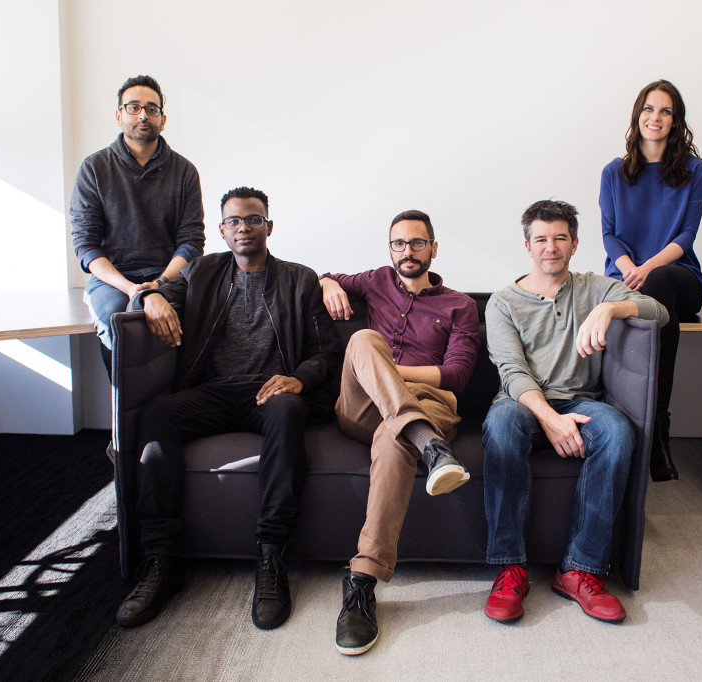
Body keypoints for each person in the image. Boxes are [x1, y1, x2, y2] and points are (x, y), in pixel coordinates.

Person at [115, 187, 341, 630]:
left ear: (269, 227)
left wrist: (299, 379)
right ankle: (162, 561)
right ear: (221, 229)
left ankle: (272, 557)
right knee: (156, 415)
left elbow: (327, 352)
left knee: (287, 410)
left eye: (253, 219)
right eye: (234, 221)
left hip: (270, 395)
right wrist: (149, 296)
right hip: (214, 392)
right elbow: (157, 291)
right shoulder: (199, 272)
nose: (243, 228)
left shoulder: (299, 279)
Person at [482, 199, 668, 624]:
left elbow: (659, 311)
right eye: (542, 239)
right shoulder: (503, 302)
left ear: (575, 243)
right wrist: (550, 419)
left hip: (583, 399)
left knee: (619, 432)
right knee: (501, 426)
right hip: (521, 401)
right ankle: (510, 567)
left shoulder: (596, 288)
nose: (551, 247)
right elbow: (511, 371)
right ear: (527, 246)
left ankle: (579, 570)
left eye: (560, 238)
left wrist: (610, 308)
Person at [319, 210, 479, 655]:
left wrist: (396, 378)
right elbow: (325, 275)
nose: (407, 251)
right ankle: (432, 448)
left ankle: (361, 584)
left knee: (396, 435)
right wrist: (328, 284)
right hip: (363, 407)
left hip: (427, 405)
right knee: (364, 340)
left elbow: (458, 375)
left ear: (433, 247)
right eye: (398, 244)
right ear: (389, 249)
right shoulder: (374, 281)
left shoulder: (460, 305)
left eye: (416, 243)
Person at [599, 79, 702, 481]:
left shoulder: (694, 170)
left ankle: (656, 429)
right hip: (626, 277)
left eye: (665, 111)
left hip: (679, 278)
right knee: (644, 303)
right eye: (648, 109)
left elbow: (686, 236)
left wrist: (647, 269)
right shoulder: (614, 171)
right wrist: (629, 266)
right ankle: (648, 431)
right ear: (637, 115)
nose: (655, 117)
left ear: (675, 121)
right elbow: (609, 233)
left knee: (659, 282)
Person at [70, 75, 204, 378]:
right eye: (133, 107)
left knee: (196, 324)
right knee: (119, 320)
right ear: (119, 116)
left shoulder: (184, 172)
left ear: (163, 119)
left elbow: (191, 242)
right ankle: (127, 421)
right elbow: (86, 246)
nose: (143, 114)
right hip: (113, 280)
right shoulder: (94, 169)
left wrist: (158, 285)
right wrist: (135, 291)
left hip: (169, 276)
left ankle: (172, 413)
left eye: (151, 109)